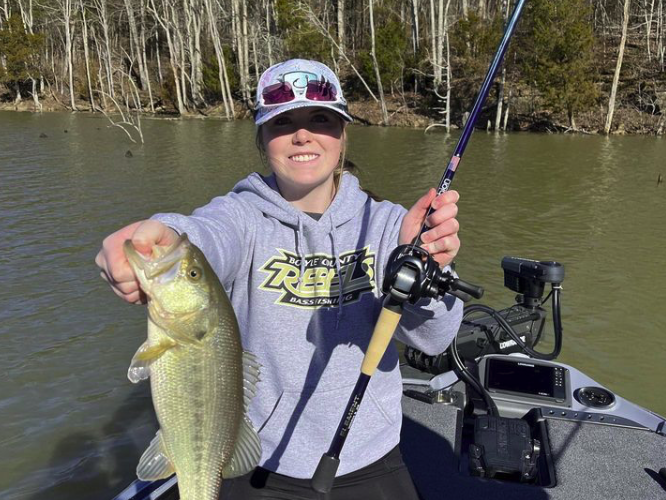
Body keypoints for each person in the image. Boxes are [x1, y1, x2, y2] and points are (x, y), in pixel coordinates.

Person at [96, 59, 463, 499]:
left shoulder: (390, 225)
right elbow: (206, 236)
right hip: (261, 462)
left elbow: (435, 340)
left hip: (369, 457)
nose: (302, 135)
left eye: (320, 119)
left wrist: (427, 271)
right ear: (262, 138)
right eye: (283, 122)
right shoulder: (241, 215)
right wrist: (162, 233)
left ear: (343, 134)